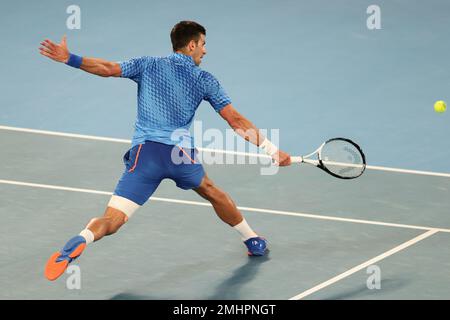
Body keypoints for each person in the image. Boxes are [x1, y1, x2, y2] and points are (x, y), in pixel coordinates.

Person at [40, 21, 291, 281]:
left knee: (112, 219)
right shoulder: (205, 79)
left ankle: (82, 239)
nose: (204, 51)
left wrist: (70, 58)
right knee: (212, 192)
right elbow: (235, 120)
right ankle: (252, 240)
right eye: (203, 45)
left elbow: (107, 68)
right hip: (179, 157)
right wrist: (271, 149)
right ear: (192, 44)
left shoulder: (147, 64)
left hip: (146, 156)